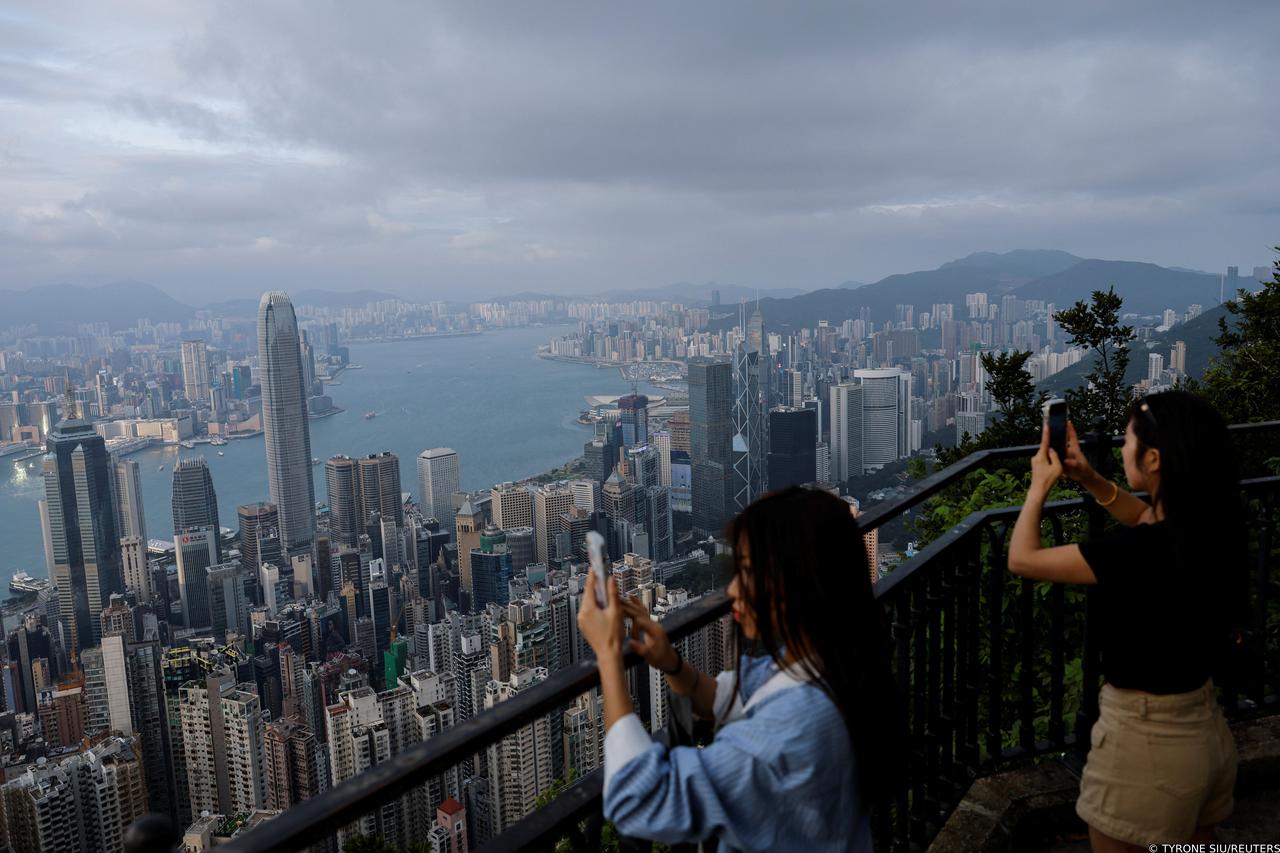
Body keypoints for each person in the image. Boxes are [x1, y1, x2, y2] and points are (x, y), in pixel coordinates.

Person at [576, 486, 899, 853]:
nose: (732, 589)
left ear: (800, 582)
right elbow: (732, 699)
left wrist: (607, 655)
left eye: (748, 571)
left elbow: (641, 799)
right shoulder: (834, 662)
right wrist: (672, 663)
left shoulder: (793, 727)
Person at [1007, 391, 1244, 851]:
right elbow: (1146, 520)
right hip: (1204, 736)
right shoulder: (1211, 527)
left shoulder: (1137, 555)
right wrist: (1092, 480)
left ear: (1154, 459)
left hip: (1145, 748)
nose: (1120, 447)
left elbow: (1022, 559)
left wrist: (1040, 484)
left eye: (1128, 439)